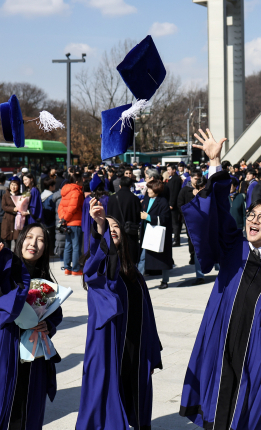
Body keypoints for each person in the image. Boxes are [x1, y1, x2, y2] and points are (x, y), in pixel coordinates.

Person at [179, 129, 261, 430]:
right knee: (218, 411)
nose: (253, 220)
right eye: (251, 214)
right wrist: (215, 165)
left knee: (253, 416)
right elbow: (217, 212)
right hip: (222, 346)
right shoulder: (234, 249)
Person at [76, 199, 162, 430]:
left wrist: (152, 352)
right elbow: (98, 267)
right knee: (106, 406)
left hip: (135, 349)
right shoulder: (100, 271)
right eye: (108, 227)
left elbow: (148, 316)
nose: (112, 230)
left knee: (135, 402)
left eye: (116, 228)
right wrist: (100, 228)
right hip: (109, 347)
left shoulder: (135, 275)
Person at [0, 224, 63, 430]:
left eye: (40, 240)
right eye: (29, 237)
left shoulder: (45, 280)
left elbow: (55, 314)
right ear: (21, 241)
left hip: (31, 356)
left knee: (26, 407)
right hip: (3, 346)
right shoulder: (5, 270)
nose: (34, 243)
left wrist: (49, 325)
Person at [139, 180, 173, 289]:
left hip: (158, 234)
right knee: (143, 257)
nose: (147, 190)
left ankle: (165, 280)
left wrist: (148, 217)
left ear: (156, 190)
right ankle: (138, 280)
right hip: (146, 232)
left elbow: (164, 219)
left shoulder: (163, 201)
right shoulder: (147, 198)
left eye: (150, 188)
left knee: (163, 258)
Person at [108, 177, 141, 264]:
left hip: (115, 232)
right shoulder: (135, 199)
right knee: (130, 256)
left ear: (119, 186)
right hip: (130, 232)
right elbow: (138, 217)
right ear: (130, 186)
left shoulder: (112, 198)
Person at [58, 171, 85, 276]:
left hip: (67, 223)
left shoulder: (66, 192)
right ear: (77, 181)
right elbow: (72, 208)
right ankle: (76, 269)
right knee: (76, 246)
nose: (83, 183)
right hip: (75, 222)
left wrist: (63, 218)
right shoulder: (77, 192)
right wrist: (66, 218)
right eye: (82, 181)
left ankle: (67, 268)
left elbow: (61, 207)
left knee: (68, 246)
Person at [82, 174, 110, 255]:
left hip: (89, 227)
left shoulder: (87, 200)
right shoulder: (106, 199)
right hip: (103, 225)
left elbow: (84, 217)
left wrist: (84, 229)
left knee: (90, 247)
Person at [1, 177, 22, 250]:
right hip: (7, 220)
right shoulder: (5, 195)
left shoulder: (20, 195)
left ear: (18, 186)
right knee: (7, 239)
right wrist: (13, 209)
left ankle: (16, 257)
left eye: (15, 185)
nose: (13, 187)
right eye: (12, 184)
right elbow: (4, 206)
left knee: (17, 239)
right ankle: (7, 258)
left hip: (17, 219)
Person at [165, 164, 183, 247]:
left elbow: (174, 193)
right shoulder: (172, 179)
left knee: (175, 223)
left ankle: (176, 240)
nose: (168, 171)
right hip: (171, 203)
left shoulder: (176, 179)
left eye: (169, 170)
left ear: (174, 170)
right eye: (167, 170)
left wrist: (172, 204)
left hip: (174, 205)